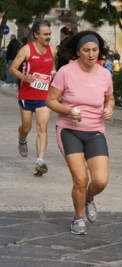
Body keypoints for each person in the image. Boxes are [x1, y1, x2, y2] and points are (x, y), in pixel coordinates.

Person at [46, 31, 115, 235]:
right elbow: (50, 101)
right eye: (86, 50)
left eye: (95, 50)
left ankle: (88, 199)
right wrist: (68, 110)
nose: (91, 54)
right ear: (78, 52)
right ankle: (78, 219)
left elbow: (109, 98)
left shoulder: (105, 74)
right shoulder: (66, 72)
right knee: (80, 180)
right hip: (69, 131)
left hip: (95, 131)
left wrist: (109, 108)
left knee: (100, 181)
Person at [9, 19, 56, 176]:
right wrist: (24, 76)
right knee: (27, 127)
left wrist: (54, 74)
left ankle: (40, 161)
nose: (48, 37)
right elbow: (12, 69)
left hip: (44, 95)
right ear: (36, 35)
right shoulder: (26, 50)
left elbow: (52, 68)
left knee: (42, 127)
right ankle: (22, 138)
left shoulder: (52, 50)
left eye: (49, 34)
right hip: (27, 94)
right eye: (45, 34)